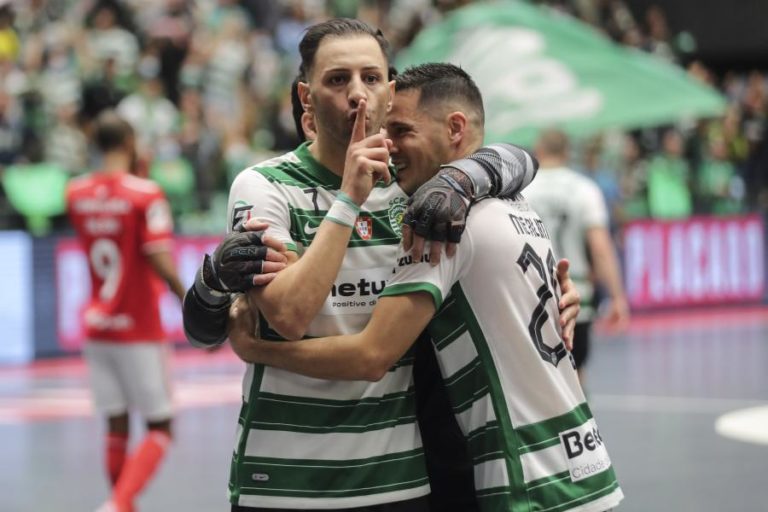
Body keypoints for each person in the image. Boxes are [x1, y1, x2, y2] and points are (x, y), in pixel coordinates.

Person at [182, 19, 576, 512]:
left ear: (391, 91)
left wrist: (545, 297)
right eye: (337, 79)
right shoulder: (265, 186)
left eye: (370, 78)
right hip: (283, 476)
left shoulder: (415, 187)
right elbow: (288, 316)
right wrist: (348, 199)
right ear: (306, 96)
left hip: (400, 480)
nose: (357, 95)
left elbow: (503, 157)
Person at [65, 110, 186, 512]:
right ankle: (117, 504)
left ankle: (121, 504)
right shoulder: (146, 194)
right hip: (139, 327)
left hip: (98, 326)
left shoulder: (76, 192)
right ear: (131, 144)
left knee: (115, 423)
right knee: (161, 427)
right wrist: (192, 303)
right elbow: (159, 257)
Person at [525, 128, 630, 386]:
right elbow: (601, 247)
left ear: (539, 149)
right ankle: (580, 424)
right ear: (567, 153)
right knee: (575, 371)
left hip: (530, 293)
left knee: (535, 373)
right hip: (575, 292)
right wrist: (617, 296)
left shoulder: (524, 189)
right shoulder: (584, 189)